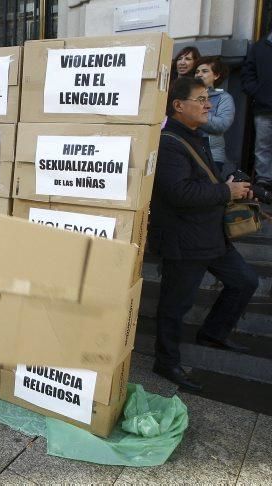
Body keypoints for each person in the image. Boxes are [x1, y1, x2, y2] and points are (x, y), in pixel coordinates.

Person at [148, 77, 259, 392]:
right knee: (175, 305)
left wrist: (231, 183)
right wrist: (225, 191)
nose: (208, 104)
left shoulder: (195, 136)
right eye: (200, 98)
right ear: (178, 105)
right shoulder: (169, 142)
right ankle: (166, 361)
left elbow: (202, 180)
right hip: (184, 241)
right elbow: (179, 193)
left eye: (208, 98)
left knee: (245, 281)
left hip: (211, 236)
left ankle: (213, 332)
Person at [194, 57, 236, 177]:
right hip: (187, 149)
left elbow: (221, 125)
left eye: (205, 71)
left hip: (212, 155)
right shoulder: (186, 94)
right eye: (197, 72)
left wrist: (195, 113)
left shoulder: (225, 98)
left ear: (216, 75)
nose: (199, 74)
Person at [241, 31, 272, 190]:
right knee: (263, 147)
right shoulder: (259, 47)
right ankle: (264, 184)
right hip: (264, 108)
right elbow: (247, 75)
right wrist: (259, 93)